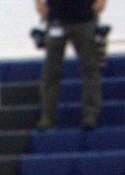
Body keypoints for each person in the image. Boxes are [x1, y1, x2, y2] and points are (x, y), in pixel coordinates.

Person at [34, 0, 106, 131]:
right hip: (56, 17)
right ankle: (47, 117)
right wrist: (38, 3)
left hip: (84, 17)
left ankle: (90, 115)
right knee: (50, 72)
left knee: (89, 69)